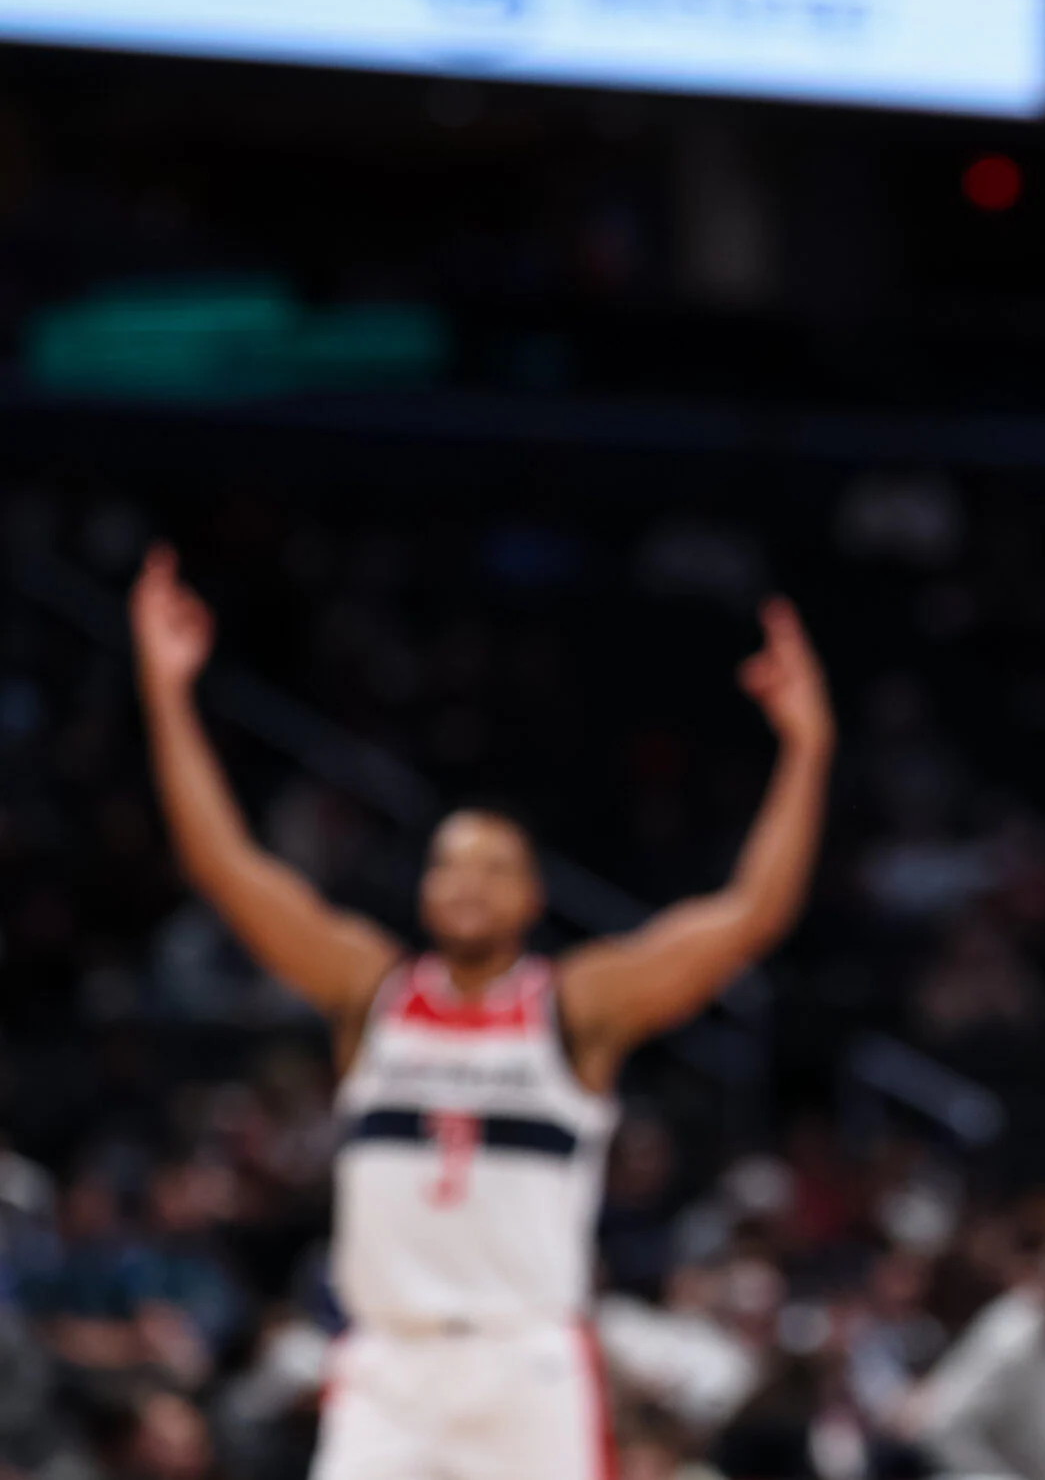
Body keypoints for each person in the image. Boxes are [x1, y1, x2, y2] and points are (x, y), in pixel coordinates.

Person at [127, 544, 836, 1480]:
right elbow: (226, 866)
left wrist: (807, 749)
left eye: (494, 867)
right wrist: (168, 693)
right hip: (388, 1362)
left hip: (525, 1361)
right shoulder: (368, 990)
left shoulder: (576, 1005)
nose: (467, 882)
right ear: (423, 888)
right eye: (449, 863)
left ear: (533, 896)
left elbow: (751, 915)